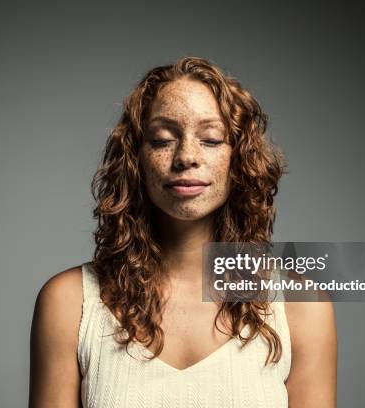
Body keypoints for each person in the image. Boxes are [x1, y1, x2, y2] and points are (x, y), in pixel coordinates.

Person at [29, 56, 337, 407]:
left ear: (239, 160)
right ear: (135, 159)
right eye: (162, 139)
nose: (186, 156)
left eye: (211, 139)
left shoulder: (302, 307)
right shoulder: (70, 302)